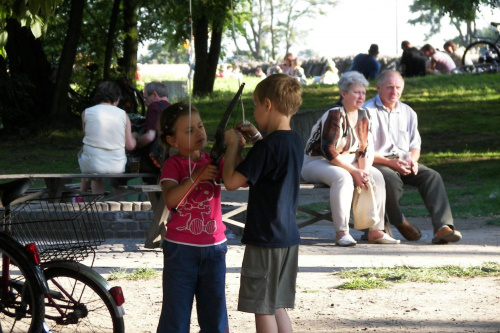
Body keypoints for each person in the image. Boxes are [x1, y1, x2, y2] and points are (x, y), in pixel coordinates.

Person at [222, 74, 303, 333]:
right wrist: (257, 138)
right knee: (277, 304)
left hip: (265, 238)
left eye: (256, 106)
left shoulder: (265, 148)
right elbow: (269, 163)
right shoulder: (294, 141)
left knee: (262, 306)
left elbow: (232, 182)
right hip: (288, 236)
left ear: (268, 104)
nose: (255, 113)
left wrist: (233, 147)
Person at [301, 71, 399, 247]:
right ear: (343, 94)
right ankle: (342, 232)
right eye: (356, 92)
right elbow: (328, 150)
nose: (361, 97)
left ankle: (376, 231)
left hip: (348, 161)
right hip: (316, 162)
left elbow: (365, 149)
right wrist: (354, 172)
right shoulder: (335, 114)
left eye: (363, 93)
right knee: (343, 177)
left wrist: (364, 171)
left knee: (376, 176)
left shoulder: (364, 115)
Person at [364, 70, 462, 245]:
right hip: (377, 161)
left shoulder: (408, 112)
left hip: (403, 160)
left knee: (432, 176)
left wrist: (413, 161)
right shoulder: (366, 111)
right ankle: (400, 222)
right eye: (390, 88)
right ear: (378, 88)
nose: (394, 92)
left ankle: (442, 228)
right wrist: (389, 162)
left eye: (398, 88)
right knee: (390, 180)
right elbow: (363, 150)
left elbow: (415, 145)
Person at [156, 102, 229, 332]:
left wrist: (235, 147)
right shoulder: (172, 164)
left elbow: (237, 178)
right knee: (175, 318)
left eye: (200, 126)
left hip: (215, 248)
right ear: (172, 140)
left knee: (215, 317)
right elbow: (171, 199)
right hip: (181, 251)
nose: (200, 133)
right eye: (189, 131)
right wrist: (197, 176)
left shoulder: (214, 160)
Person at [78, 81, 136, 194]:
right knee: (96, 167)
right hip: (117, 166)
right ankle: (118, 207)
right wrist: (134, 137)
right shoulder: (123, 114)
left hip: (92, 163)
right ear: (117, 98)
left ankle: (97, 203)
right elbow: (130, 146)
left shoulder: (86, 112)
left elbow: (88, 135)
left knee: (94, 172)